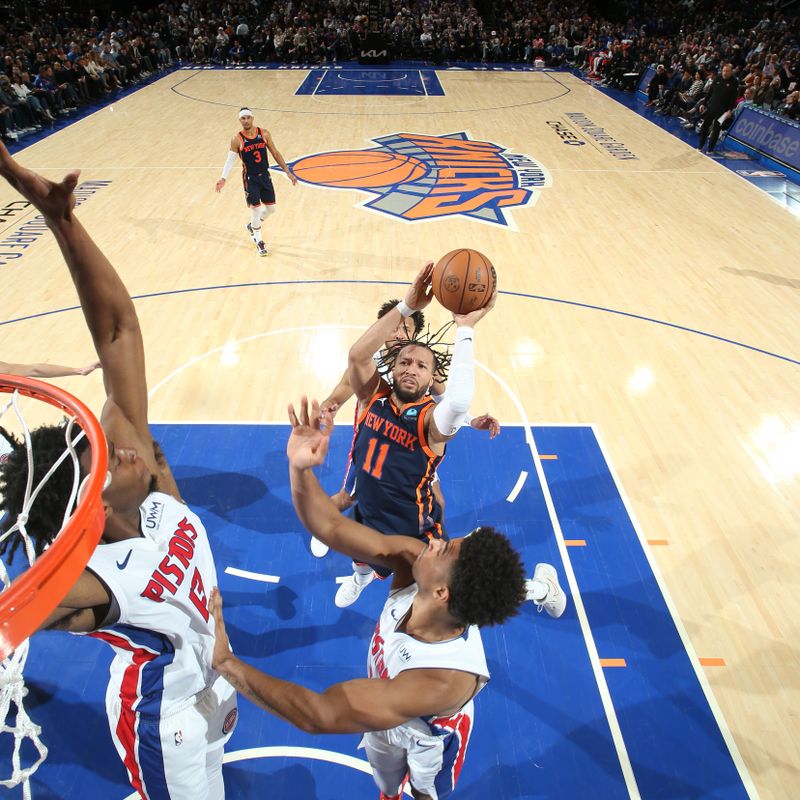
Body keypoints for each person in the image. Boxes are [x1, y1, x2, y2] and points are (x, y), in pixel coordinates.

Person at [0, 144, 237, 800]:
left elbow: (118, 335)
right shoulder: (90, 582)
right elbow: (20, 614)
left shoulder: (152, 495)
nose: (113, 447)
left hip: (211, 678)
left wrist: (60, 221)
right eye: (95, 462)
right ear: (84, 512)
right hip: (164, 725)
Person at [209, 396, 566, 800]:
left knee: (423, 791)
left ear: (443, 591)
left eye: (445, 549)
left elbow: (318, 714)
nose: (437, 542)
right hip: (392, 694)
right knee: (384, 780)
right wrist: (298, 467)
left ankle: (540, 589)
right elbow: (328, 525)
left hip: (430, 734)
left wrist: (227, 663)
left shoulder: (441, 682)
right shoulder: (414, 558)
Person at [313, 298, 500, 562]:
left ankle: (433, 545)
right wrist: (329, 405)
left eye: (406, 328)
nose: (399, 333)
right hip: (374, 446)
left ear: (416, 333)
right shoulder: (371, 363)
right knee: (347, 498)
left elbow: (448, 403)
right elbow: (342, 389)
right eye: (393, 327)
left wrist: (470, 420)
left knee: (438, 502)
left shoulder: (423, 367)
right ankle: (324, 532)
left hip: (413, 449)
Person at [214, 107, 297, 257]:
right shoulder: (236, 139)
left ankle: (252, 226)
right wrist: (223, 178)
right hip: (250, 178)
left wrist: (287, 172)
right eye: (243, 118)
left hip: (265, 176)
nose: (245, 120)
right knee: (256, 209)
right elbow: (230, 160)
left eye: (248, 117)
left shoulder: (264, 133)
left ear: (252, 118)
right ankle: (259, 242)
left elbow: (275, 152)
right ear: (240, 120)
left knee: (271, 209)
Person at [697, 63, 739, 153]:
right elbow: (710, 91)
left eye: (727, 71)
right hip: (712, 107)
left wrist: (729, 111)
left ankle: (710, 149)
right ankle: (700, 146)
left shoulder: (734, 82)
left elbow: (733, 98)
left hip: (723, 111)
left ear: (731, 72)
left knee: (716, 129)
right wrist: (703, 103)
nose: (725, 73)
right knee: (705, 126)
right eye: (724, 71)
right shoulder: (718, 78)